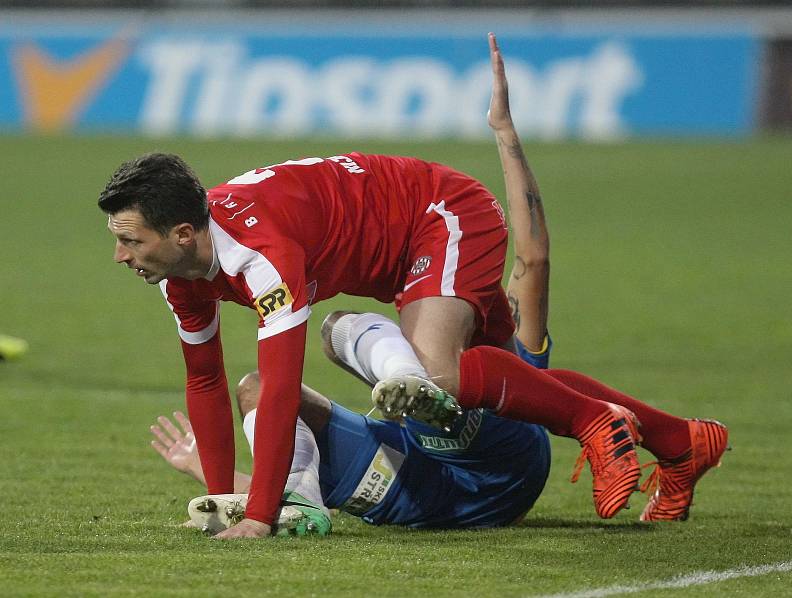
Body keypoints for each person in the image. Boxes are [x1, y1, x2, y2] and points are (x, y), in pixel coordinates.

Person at [100, 34, 721, 538]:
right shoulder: (184, 275)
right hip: (425, 470)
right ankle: (676, 439)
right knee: (484, 369)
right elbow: (205, 379)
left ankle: (595, 420)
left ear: (183, 232)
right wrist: (218, 495)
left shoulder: (263, 256)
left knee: (422, 367)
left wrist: (255, 516)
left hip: (436, 212)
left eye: (130, 239)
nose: (119, 255)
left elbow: (533, 265)